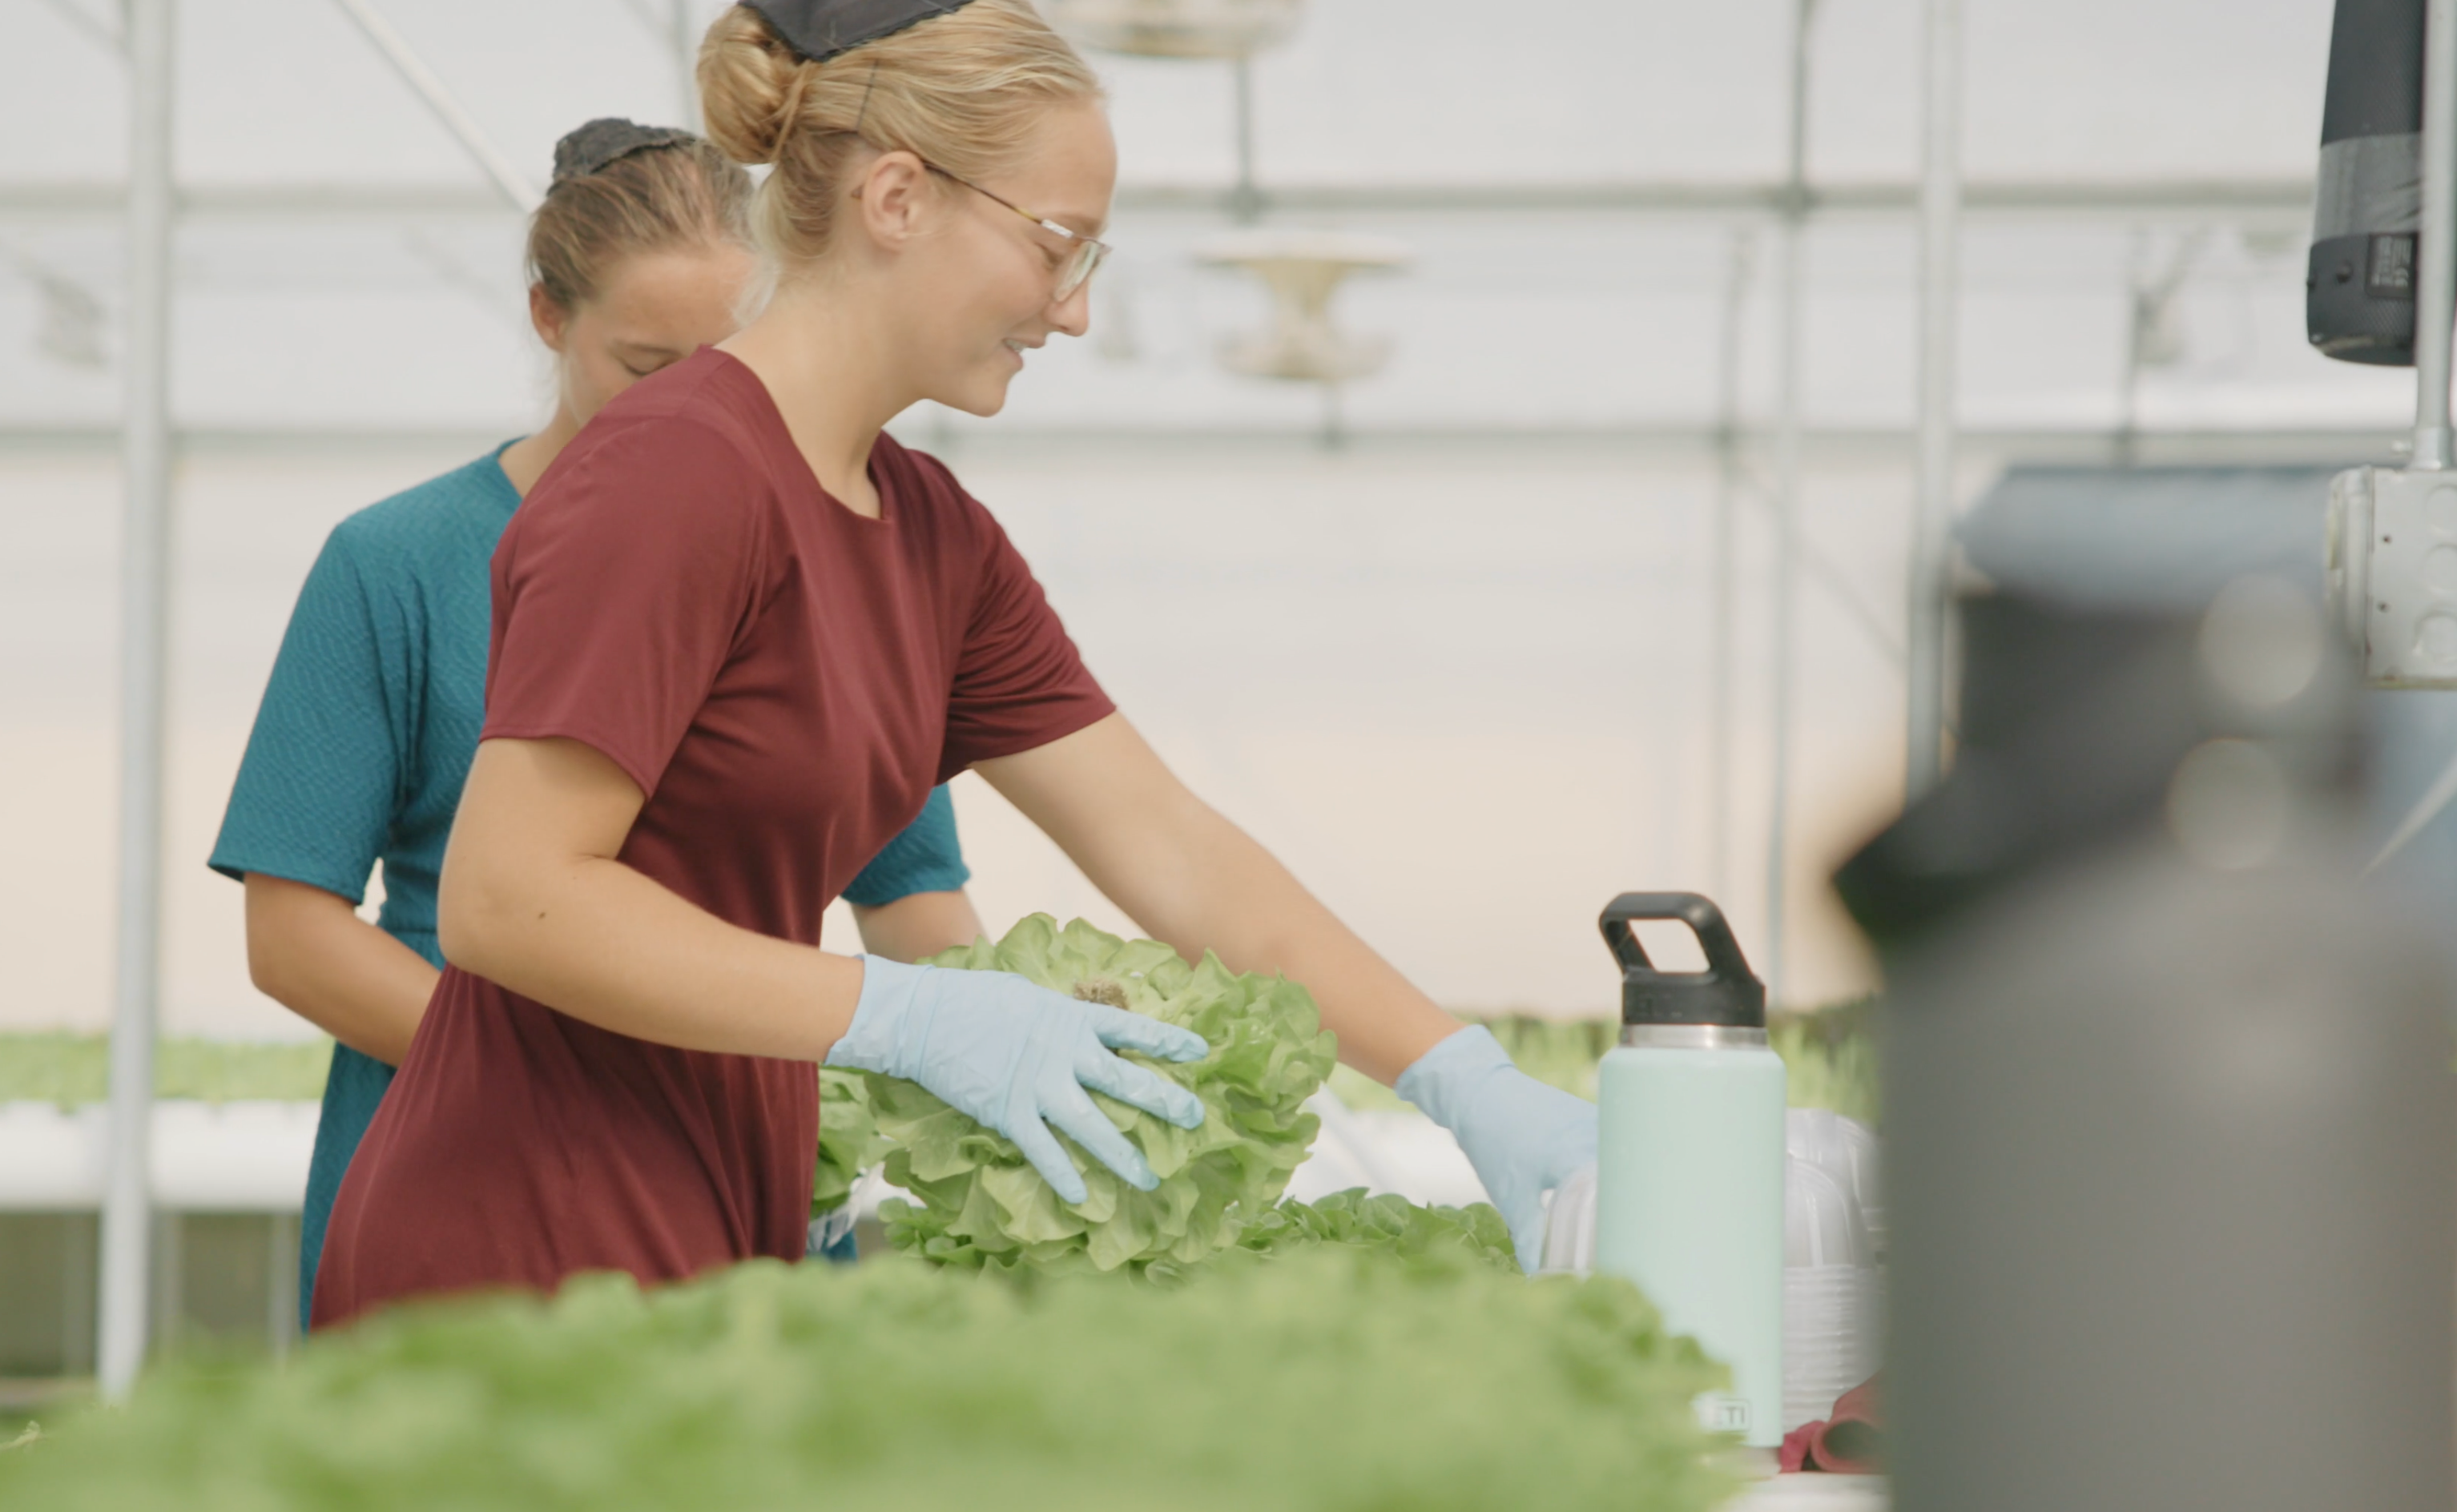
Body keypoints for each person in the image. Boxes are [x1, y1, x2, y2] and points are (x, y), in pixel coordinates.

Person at [312, 0, 1596, 1326]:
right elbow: (509, 901)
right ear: (897, 197)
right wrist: (906, 1017)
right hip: (519, 1245)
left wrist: (1463, 1079)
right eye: (1057, 245)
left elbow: (1169, 845)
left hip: (723, 1220)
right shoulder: (673, 475)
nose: (1078, 309)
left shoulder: (930, 533)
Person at [211, 115, 985, 1325]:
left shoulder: (838, 546)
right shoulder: (397, 563)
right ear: (546, 319)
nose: (692, 407)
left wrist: (978, 1068)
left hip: (751, 1162)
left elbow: (910, 890)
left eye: (725, 360)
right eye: (643, 363)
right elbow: (292, 928)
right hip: (467, 1163)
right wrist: (553, 1084)